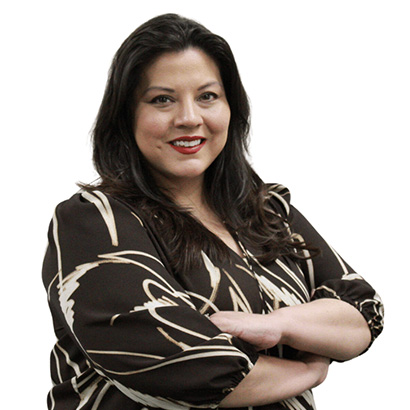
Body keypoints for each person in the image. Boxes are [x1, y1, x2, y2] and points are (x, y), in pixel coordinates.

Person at [42, 13, 384, 410]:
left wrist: (274, 326)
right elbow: (177, 365)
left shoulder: (266, 211)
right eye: (162, 99)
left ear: (231, 107)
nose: (189, 118)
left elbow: (362, 313)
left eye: (207, 96)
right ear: (125, 115)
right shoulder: (96, 222)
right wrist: (308, 370)